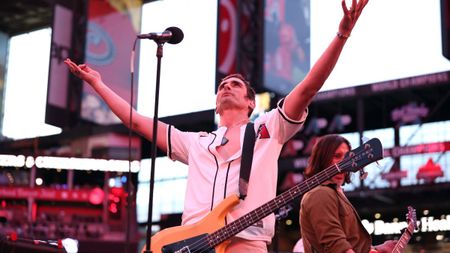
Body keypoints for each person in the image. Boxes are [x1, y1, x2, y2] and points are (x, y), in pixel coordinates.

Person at [65, 0, 369, 251]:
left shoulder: (268, 129)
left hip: (245, 243)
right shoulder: (195, 142)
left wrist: (341, 36)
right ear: (215, 103)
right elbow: (136, 120)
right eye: (223, 85)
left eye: (236, 84)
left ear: (251, 103)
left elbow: (307, 89)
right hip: (191, 244)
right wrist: (98, 84)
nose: (227, 86)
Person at [299, 134, 397, 253]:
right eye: (336, 156)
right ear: (322, 158)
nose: (343, 163)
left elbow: (348, 244)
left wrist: (375, 249)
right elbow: (336, 246)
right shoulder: (320, 193)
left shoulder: (333, 193)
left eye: (347, 157)